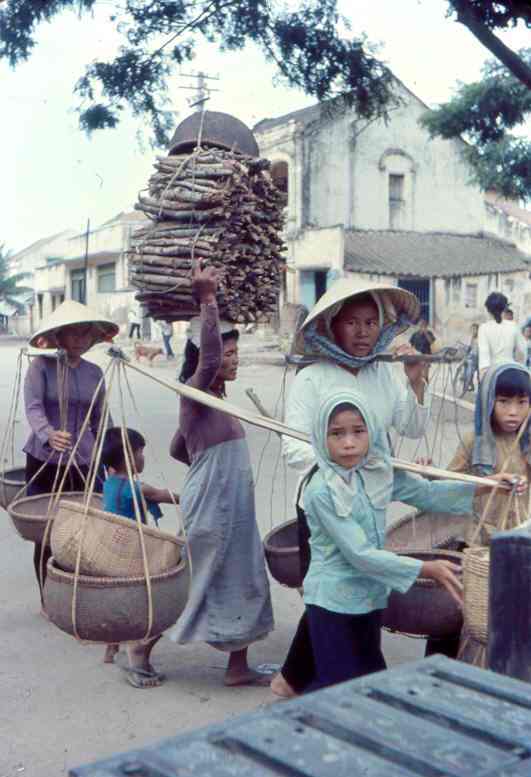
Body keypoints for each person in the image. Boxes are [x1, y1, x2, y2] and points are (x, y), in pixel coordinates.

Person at [273, 278, 431, 697]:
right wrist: (343, 469)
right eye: (352, 323)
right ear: (331, 326)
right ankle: (313, 686)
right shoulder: (313, 378)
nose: (363, 332)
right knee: (330, 595)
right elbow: (293, 445)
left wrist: (415, 378)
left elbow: (412, 427)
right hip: (327, 505)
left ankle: (287, 680)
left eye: (370, 322)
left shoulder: (383, 372)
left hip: (372, 504)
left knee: (352, 594)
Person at [302, 390, 521, 690]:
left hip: (367, 598)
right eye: (337, 434)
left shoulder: (376, 469)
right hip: (332, 602)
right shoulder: (321, 491)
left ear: (372, 432)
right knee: (338, 688)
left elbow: (428, 494)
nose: (349, 443)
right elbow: (359, 554)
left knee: (367, 681)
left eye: (358, 431)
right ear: (321, 437)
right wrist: (425, 569)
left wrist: (485, 486)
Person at [168, 262, 274, 687]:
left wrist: (201, 458)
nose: (232, 359)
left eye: (235, 352)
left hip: (233, 506)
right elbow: (208, 356)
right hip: (214, 506)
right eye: (226, 353)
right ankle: (142, 646)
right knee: (200, 579)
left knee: (244, 575)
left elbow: (179, 448)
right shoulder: (194, 391)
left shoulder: (213, 403)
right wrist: (208, 300)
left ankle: (237, 667)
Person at [424, 362, 530, 659]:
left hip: (520, 544)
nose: (513, 412)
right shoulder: (476, 441)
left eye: (522, 403)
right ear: (487, 402)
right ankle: (444, 673)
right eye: (504, 402)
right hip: (478, 544)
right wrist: (486, 482)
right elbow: (449, 483)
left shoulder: (529, 441)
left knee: (512, 621)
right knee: (467, 616)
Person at [23, 300, 118, 613]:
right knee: (47, 532)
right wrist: (49, 433)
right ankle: (47, 599)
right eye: (72, 334)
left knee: (87, 529)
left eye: (84, 334)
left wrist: (116, 453)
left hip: (85, 460)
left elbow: (101, 418)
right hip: (45, 458)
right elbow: (34, 407)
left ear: (91, 338)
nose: (78, 340)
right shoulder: (41, 367)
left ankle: (79, 597)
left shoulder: (95, 373)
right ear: (58, 337)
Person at [101, 426, 179, 685]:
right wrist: (194, 496)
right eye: (140, 452)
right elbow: (163, 495)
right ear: (128, 458)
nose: (143, 457)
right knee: (157, 604)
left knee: (121, 602)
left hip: (114, 552)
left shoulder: (110, 483)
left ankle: (112, 647)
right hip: (134, 554)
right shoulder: (135, 488)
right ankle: (137, 659)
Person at [478, 292, 525, 377]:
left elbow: (484, 358)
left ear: (488, 310)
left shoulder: (483, 328)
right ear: (504, 308)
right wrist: (519, 366)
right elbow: (521, 352)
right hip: (511, 371)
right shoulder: (514, 326)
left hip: (492, 374)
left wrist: (483, 381)